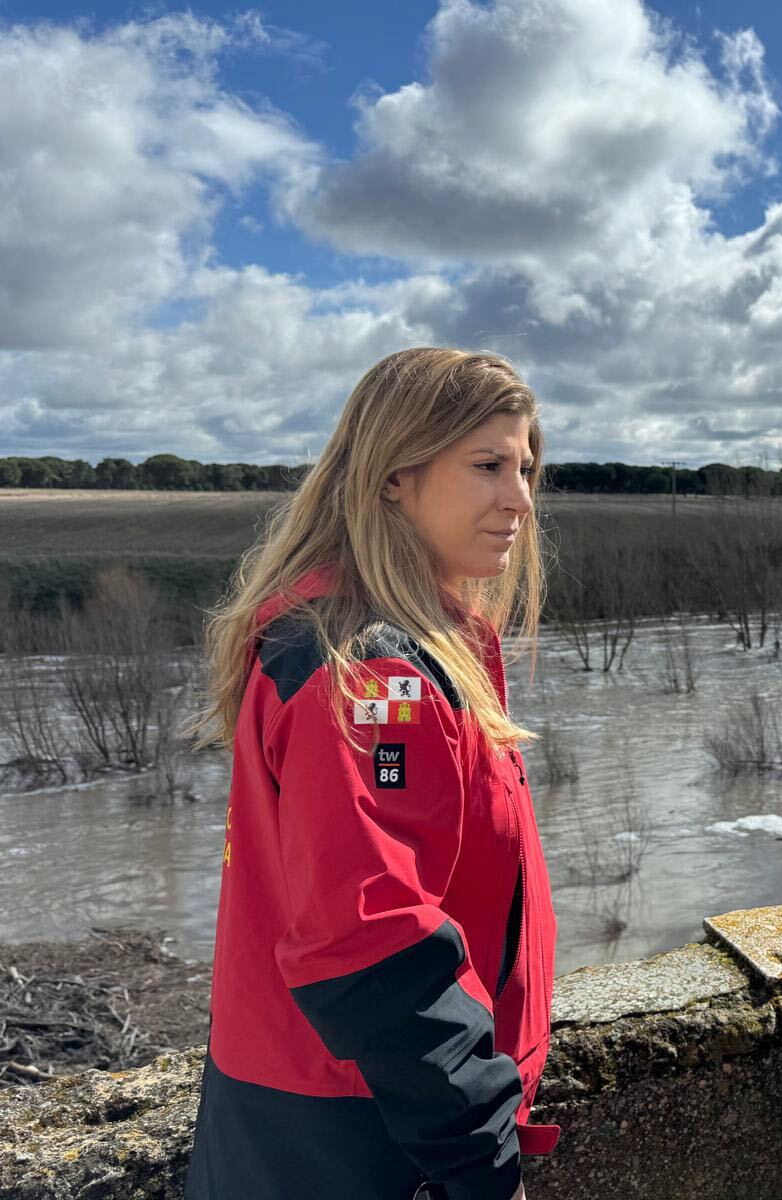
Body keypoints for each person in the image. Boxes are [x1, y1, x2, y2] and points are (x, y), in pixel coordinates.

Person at [186, 348, 558, 1200]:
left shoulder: (396, 639)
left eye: (526, 469)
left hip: (333, 1116)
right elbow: (371, 946)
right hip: (362, 1137)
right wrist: (482, 1157)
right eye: (489, 466)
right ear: (395, 475)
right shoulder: (369, 674)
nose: (520, 499)